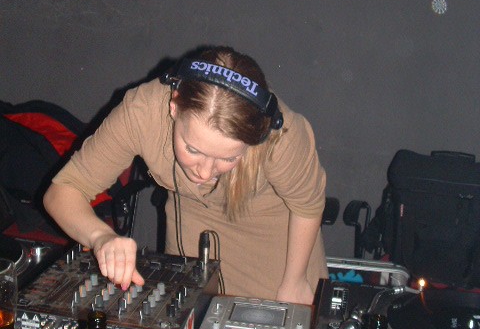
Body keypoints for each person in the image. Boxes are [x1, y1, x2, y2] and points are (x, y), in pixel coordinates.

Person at [43, 46, 328, 304]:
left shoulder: (282, 136)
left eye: (228, 158)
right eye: (193, 149)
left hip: (277, 258)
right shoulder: (143, 111)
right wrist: (100, 236)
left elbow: (308, 205)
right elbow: (64, 189)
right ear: (174, 106)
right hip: (192, 256)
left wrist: (295, 281)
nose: (204, 172)